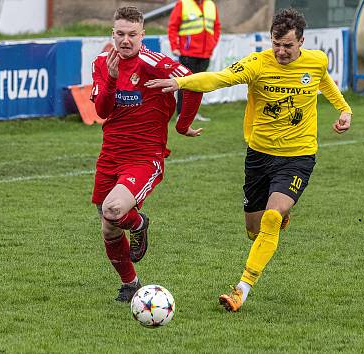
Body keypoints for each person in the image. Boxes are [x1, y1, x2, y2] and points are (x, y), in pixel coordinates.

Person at [146, 8, 352, 312]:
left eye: (288, 46)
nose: (281, 51)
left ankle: (242, 289)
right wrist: (181, 84)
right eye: (276, 44)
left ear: (302, 42)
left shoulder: (316, 61)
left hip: (298, 155)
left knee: (271, 218)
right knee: (254, 232)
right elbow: (221, 78)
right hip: (259, 155)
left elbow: (323, 82)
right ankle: (277, 216)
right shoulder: (257, 64)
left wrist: (344, 109)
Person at [91, 6, 204, 302]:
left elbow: (193, 84)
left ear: (143, 35)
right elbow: (101, 110)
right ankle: (131, 284)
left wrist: (182, 124)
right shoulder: (103, 62)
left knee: (113, 210)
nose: (125, 40)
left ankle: (139, 223)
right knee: (108, 226)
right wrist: (113, 79)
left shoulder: (156, 63)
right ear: (112, 33)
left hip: (144, 157)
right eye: (119, 34)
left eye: (131, 34)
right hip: (110, 155)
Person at [168, 0, 220, 121]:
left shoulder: (211, 4)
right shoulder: (183, 3)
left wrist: (212, 45)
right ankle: (181, 114)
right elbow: (172, 27)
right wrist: (174, 47)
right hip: (187, 53)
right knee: (185, 84)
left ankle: (193, 114)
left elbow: (216, 27)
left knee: (199, 84)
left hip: (205, 54)